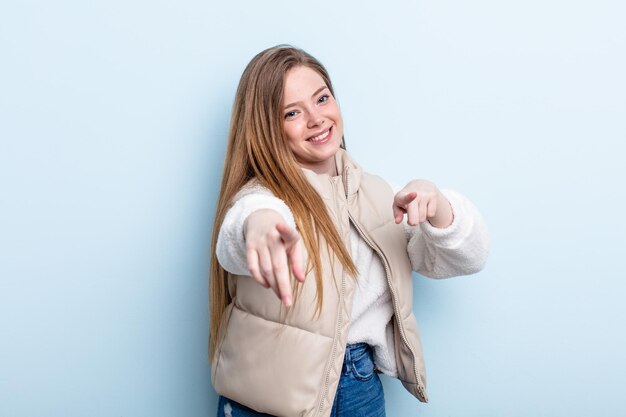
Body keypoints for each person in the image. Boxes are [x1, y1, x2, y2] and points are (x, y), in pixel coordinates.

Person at [209, 44, 490, 417]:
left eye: (321, 99)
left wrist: (437, 204)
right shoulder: (262, 199)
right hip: (269, 392)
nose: (316, 119)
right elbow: (244, 226)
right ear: (267, 129)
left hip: (358, 386)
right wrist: (258, 226)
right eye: (292, 112)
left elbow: (468, 258)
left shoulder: (378, 196)